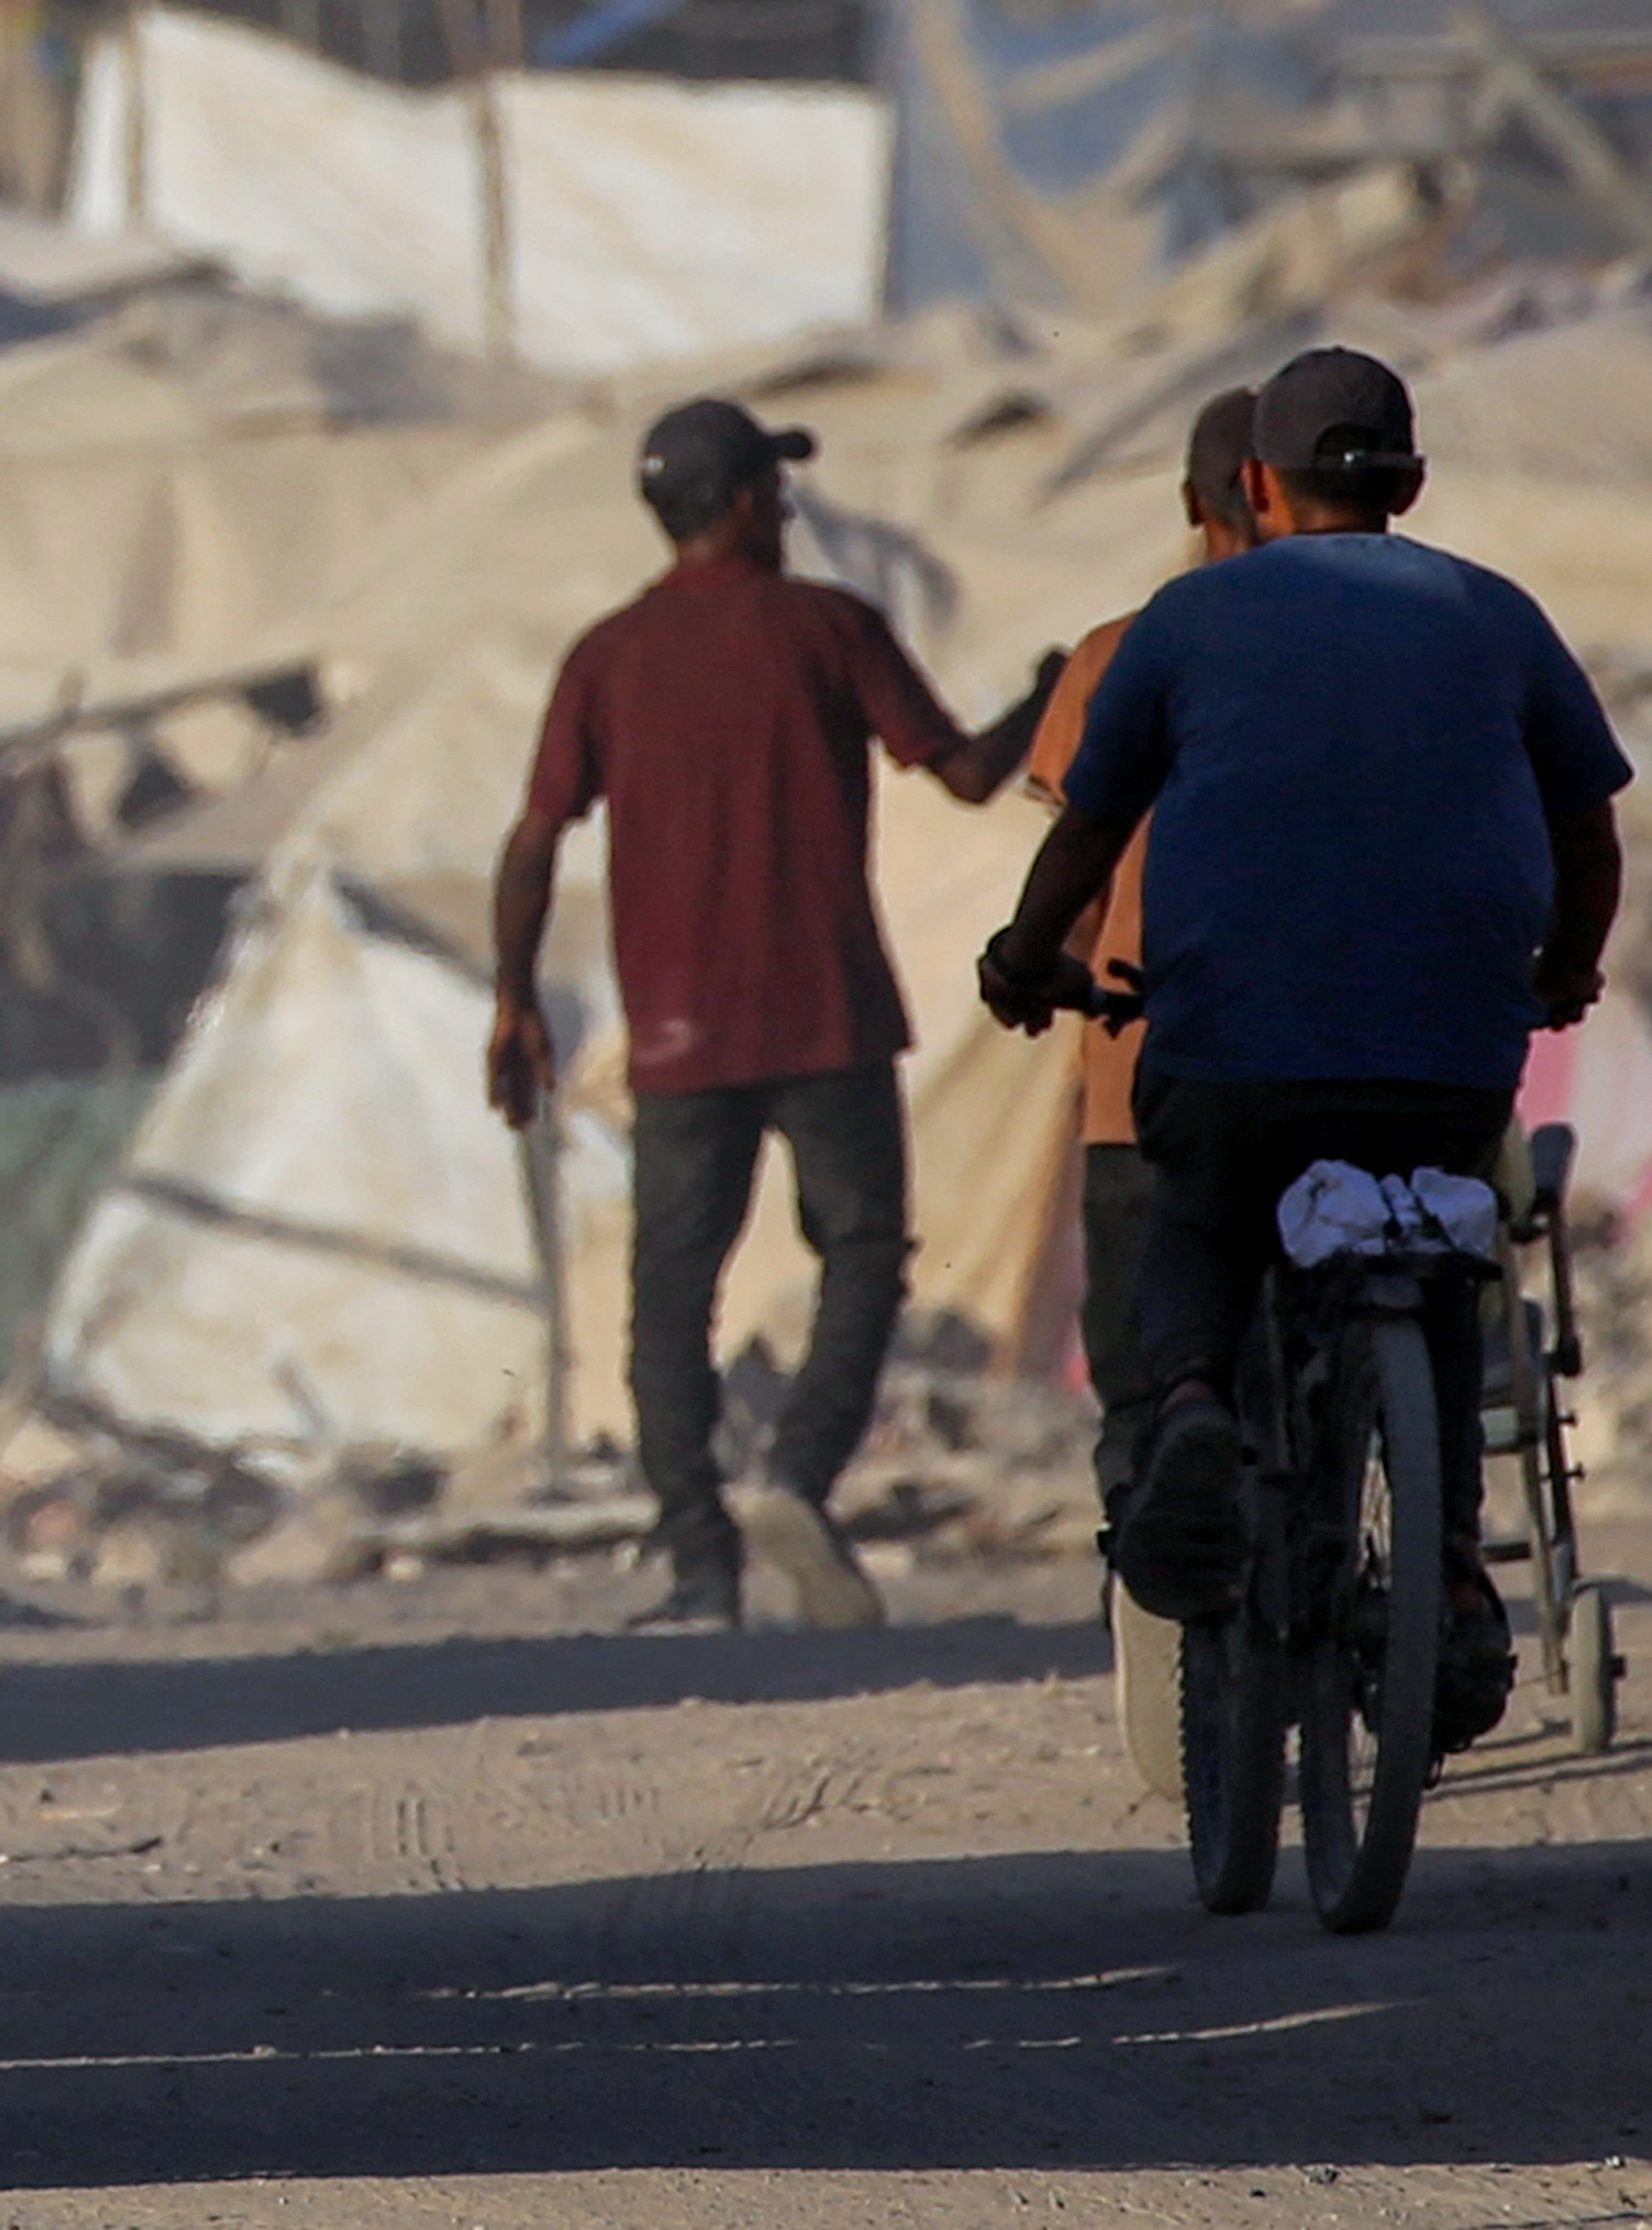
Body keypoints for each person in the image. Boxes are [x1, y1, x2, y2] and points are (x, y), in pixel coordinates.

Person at [981, 347, 1627, 1751]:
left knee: (1201, 1209)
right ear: (1414, 483)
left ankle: (1199, 1403)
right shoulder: (1494, 616)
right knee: (1445, 1258)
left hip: (1236, 1036)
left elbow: (1087, 826)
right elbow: (1590, 828)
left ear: (1256, 486)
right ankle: (1452, 1570)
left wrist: (1027, 962)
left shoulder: (1186, 622)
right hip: (1447, 1050)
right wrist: (1565, 970)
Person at [489, 398, 1057, 1634]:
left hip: (681, 1034)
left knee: (670, 1293)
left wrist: (513, 1001)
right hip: (830, 1017)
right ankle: (796, 1477)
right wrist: (1048, 697)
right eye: (776, 489)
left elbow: (535, 838)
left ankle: (701, 1563)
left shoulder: (607, 655)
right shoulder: (827, 627)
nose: (788, 508)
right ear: (744, 503)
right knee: (862, 1254)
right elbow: (965, 775)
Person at [1018, 388, 1262, 1538]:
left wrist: (1033, 961)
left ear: (1192, 501)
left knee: (1140, 1379)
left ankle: (1161, 1591)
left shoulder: (1118, 655)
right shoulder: (1390, 645)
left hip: (1141, 1074)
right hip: (1336, 1062)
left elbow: (1079, 849)